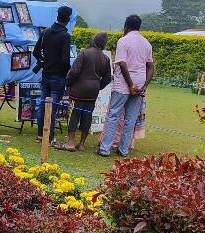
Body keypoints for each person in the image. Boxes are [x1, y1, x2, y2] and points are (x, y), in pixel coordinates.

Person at [98, 14, 154, 157]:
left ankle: (105, 149)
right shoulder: (146, 43)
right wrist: (144, 86)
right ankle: (123, 150)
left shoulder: (123, 41)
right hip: (140, 84)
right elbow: (150, 67)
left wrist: (130, 85)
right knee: (131, 118)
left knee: (114, 115)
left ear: (126, 26)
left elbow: (122, 63)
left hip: (123, 85)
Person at [55, 32, 111, 152]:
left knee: (75, 114)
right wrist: (98, 86)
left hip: (79, 90)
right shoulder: (105, 58)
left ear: (93, 41)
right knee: (87, 115)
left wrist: (68, 83)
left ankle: (70, 142)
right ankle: (81, 144)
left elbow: (74, 72)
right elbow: (107, 78)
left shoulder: (84, 53)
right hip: (93, 91)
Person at [33, 5, 73, 144]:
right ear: (68, 20)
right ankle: (49, 137)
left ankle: (40, 135)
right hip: (58, 77)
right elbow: (65, 60)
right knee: (53, 108)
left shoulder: (46, 32)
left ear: (57, 17)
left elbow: (35, 52)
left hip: (46, 75)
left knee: (43, 105)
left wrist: (43, 62)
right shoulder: (65, 36)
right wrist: (66, 72)